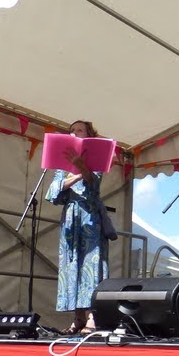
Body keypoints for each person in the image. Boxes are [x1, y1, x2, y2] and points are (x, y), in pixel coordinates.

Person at [45, 119, 109, 334]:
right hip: (71, 218)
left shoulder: (96, 156)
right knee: (71, 264)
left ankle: (93, 316)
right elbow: (53, 191)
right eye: (72, 130)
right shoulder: (62, 163)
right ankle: (78, 317)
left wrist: (82, 167)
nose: (74, 133)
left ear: (88, 134)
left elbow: (94, 185)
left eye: (79, 130)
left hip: (89, 216)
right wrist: (74, 176)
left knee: (91, 264)